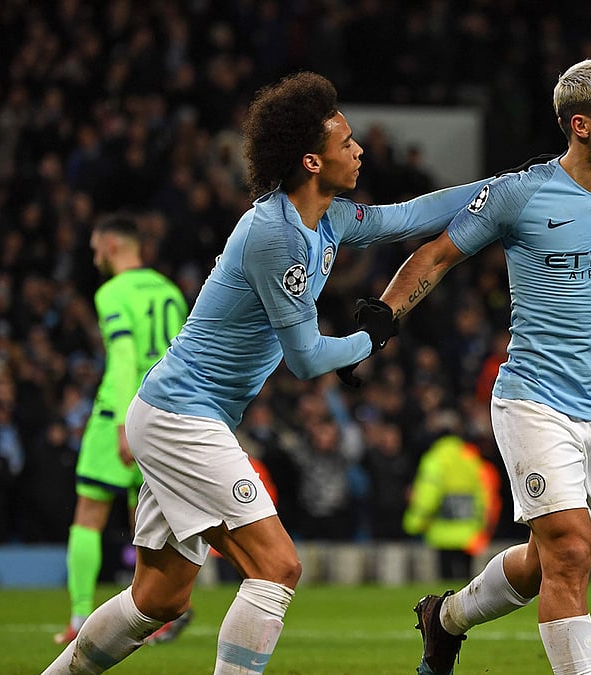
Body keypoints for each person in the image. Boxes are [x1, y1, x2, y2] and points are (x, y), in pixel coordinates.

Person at [41, 71, 485, 674]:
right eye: (346, 142)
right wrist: (371, 338)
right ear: (311, 161)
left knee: (158, 598)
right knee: (277, 567)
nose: (359, 150)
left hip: (178, 413)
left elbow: (406, 216)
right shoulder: (274, 234)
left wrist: (500, 187)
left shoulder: (326, 218)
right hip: (182, 417)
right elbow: (305, 358)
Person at [373, 59, 591, 675]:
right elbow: (437, 255)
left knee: (544, 563)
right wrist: (380, 321)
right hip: (536, 400)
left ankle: (446, 619)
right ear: (581, 125)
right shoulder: (521, 194)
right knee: (571, 552)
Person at [53, 214, 191, 646]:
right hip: (164, 414)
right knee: (147, 520)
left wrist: (121, 425)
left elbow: (124, 356)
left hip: (121, 411)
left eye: (95, 247)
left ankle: (80, 617)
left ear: (112, 246)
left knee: (89, 514)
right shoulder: (169, 291)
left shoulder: (112, 291)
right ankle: (156, 614)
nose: (93, 255)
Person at [402, 433, 501, 581]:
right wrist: (485, 524)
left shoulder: (435, 459)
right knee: (468, 581)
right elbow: (485, 493)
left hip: (443, 532)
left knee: (446, 580)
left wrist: (415, 523)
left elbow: (428, 495)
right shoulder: (471, 458)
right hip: (469, 532)